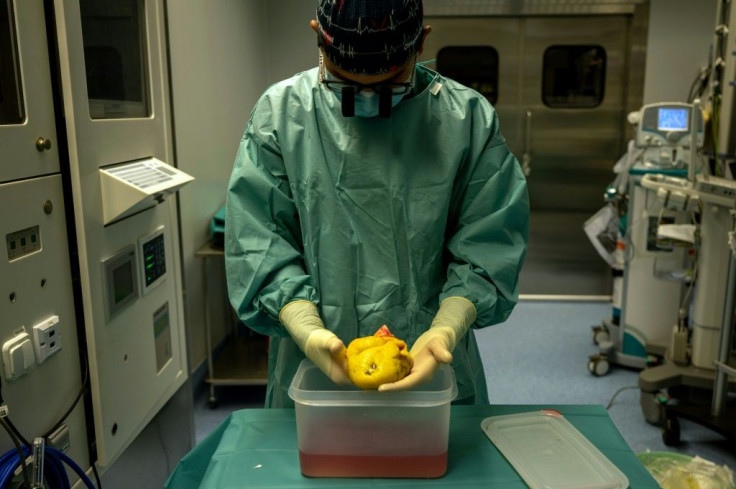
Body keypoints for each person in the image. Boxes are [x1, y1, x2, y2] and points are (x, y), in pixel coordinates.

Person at [225, 0, 529, 408]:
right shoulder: (282, 115)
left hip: (429, 361)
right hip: (315, 362)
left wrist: (446, 328)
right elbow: (259, 240)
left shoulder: (466, 120)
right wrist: (304, 325)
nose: (367, 100)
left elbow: (489, 242)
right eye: (343, 85)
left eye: (390, 86)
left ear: (421, 43)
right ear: (317, 34)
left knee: (434, 462)